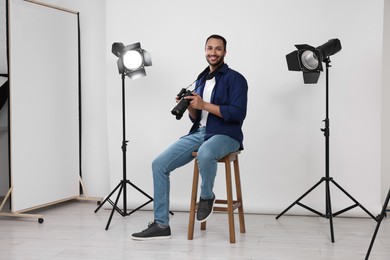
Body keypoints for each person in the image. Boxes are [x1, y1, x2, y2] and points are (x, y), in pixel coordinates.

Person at [132, 34, 248, 240]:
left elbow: (238, 113)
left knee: (205, 153)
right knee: (159, 164)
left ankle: (206, 197)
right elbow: (198, 116)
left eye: (218, 49)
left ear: (225, 52)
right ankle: (161, 224)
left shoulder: (236, 78)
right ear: (205, 51)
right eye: (209, 48)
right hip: (200, 132)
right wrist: (190, 107)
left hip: (227, 134)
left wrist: (204, 105)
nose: (213, 52)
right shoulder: (202, 79)